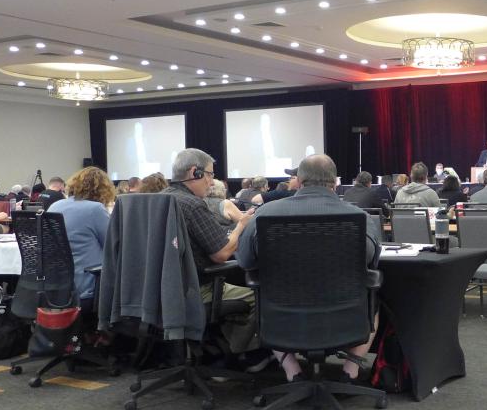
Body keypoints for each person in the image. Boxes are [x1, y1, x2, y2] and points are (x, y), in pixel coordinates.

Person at [236, 154, 380, 383]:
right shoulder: (359, 217)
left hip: (282, 315)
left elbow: (245, 262)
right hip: (345, 315)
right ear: (335, 183)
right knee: (376, 304)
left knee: (262, 296)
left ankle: (293, 371)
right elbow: (371, 261)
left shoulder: (265, 213)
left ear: (299, 182)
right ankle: (349, 372)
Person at [163, 149, 257, 353]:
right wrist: (242, 225)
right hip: (196, 290)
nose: (212, 182)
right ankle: (240, 354)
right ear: (194, 173)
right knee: (258, 296)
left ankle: (214, 349)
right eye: (210, 174)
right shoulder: (192, 205)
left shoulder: (159, 199)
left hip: (162, 291)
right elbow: (222, 254)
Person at [48, 167, 114, 302]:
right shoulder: (95, 209)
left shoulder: (55, 206)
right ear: (104, 190)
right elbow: (112, 246)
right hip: (87, 287)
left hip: (55, 286)